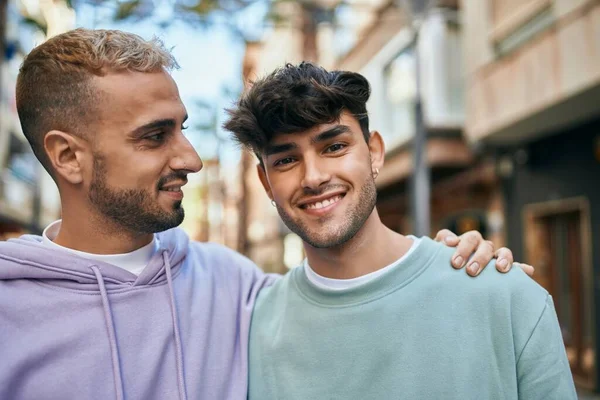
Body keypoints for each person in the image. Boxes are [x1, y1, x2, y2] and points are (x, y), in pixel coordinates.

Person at [0, 29, 520, 400]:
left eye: (183, 128)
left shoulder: (234, 284)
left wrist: (452, 262)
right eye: (156, 136)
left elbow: (356, 296)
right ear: (68, 157)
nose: (191, 159)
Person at [224, 62, 577, 399]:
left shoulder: (506, 297)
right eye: (286, 160)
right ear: (266, 184)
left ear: (375, 153)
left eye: (334, 146)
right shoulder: (251, 328)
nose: (313, 177)